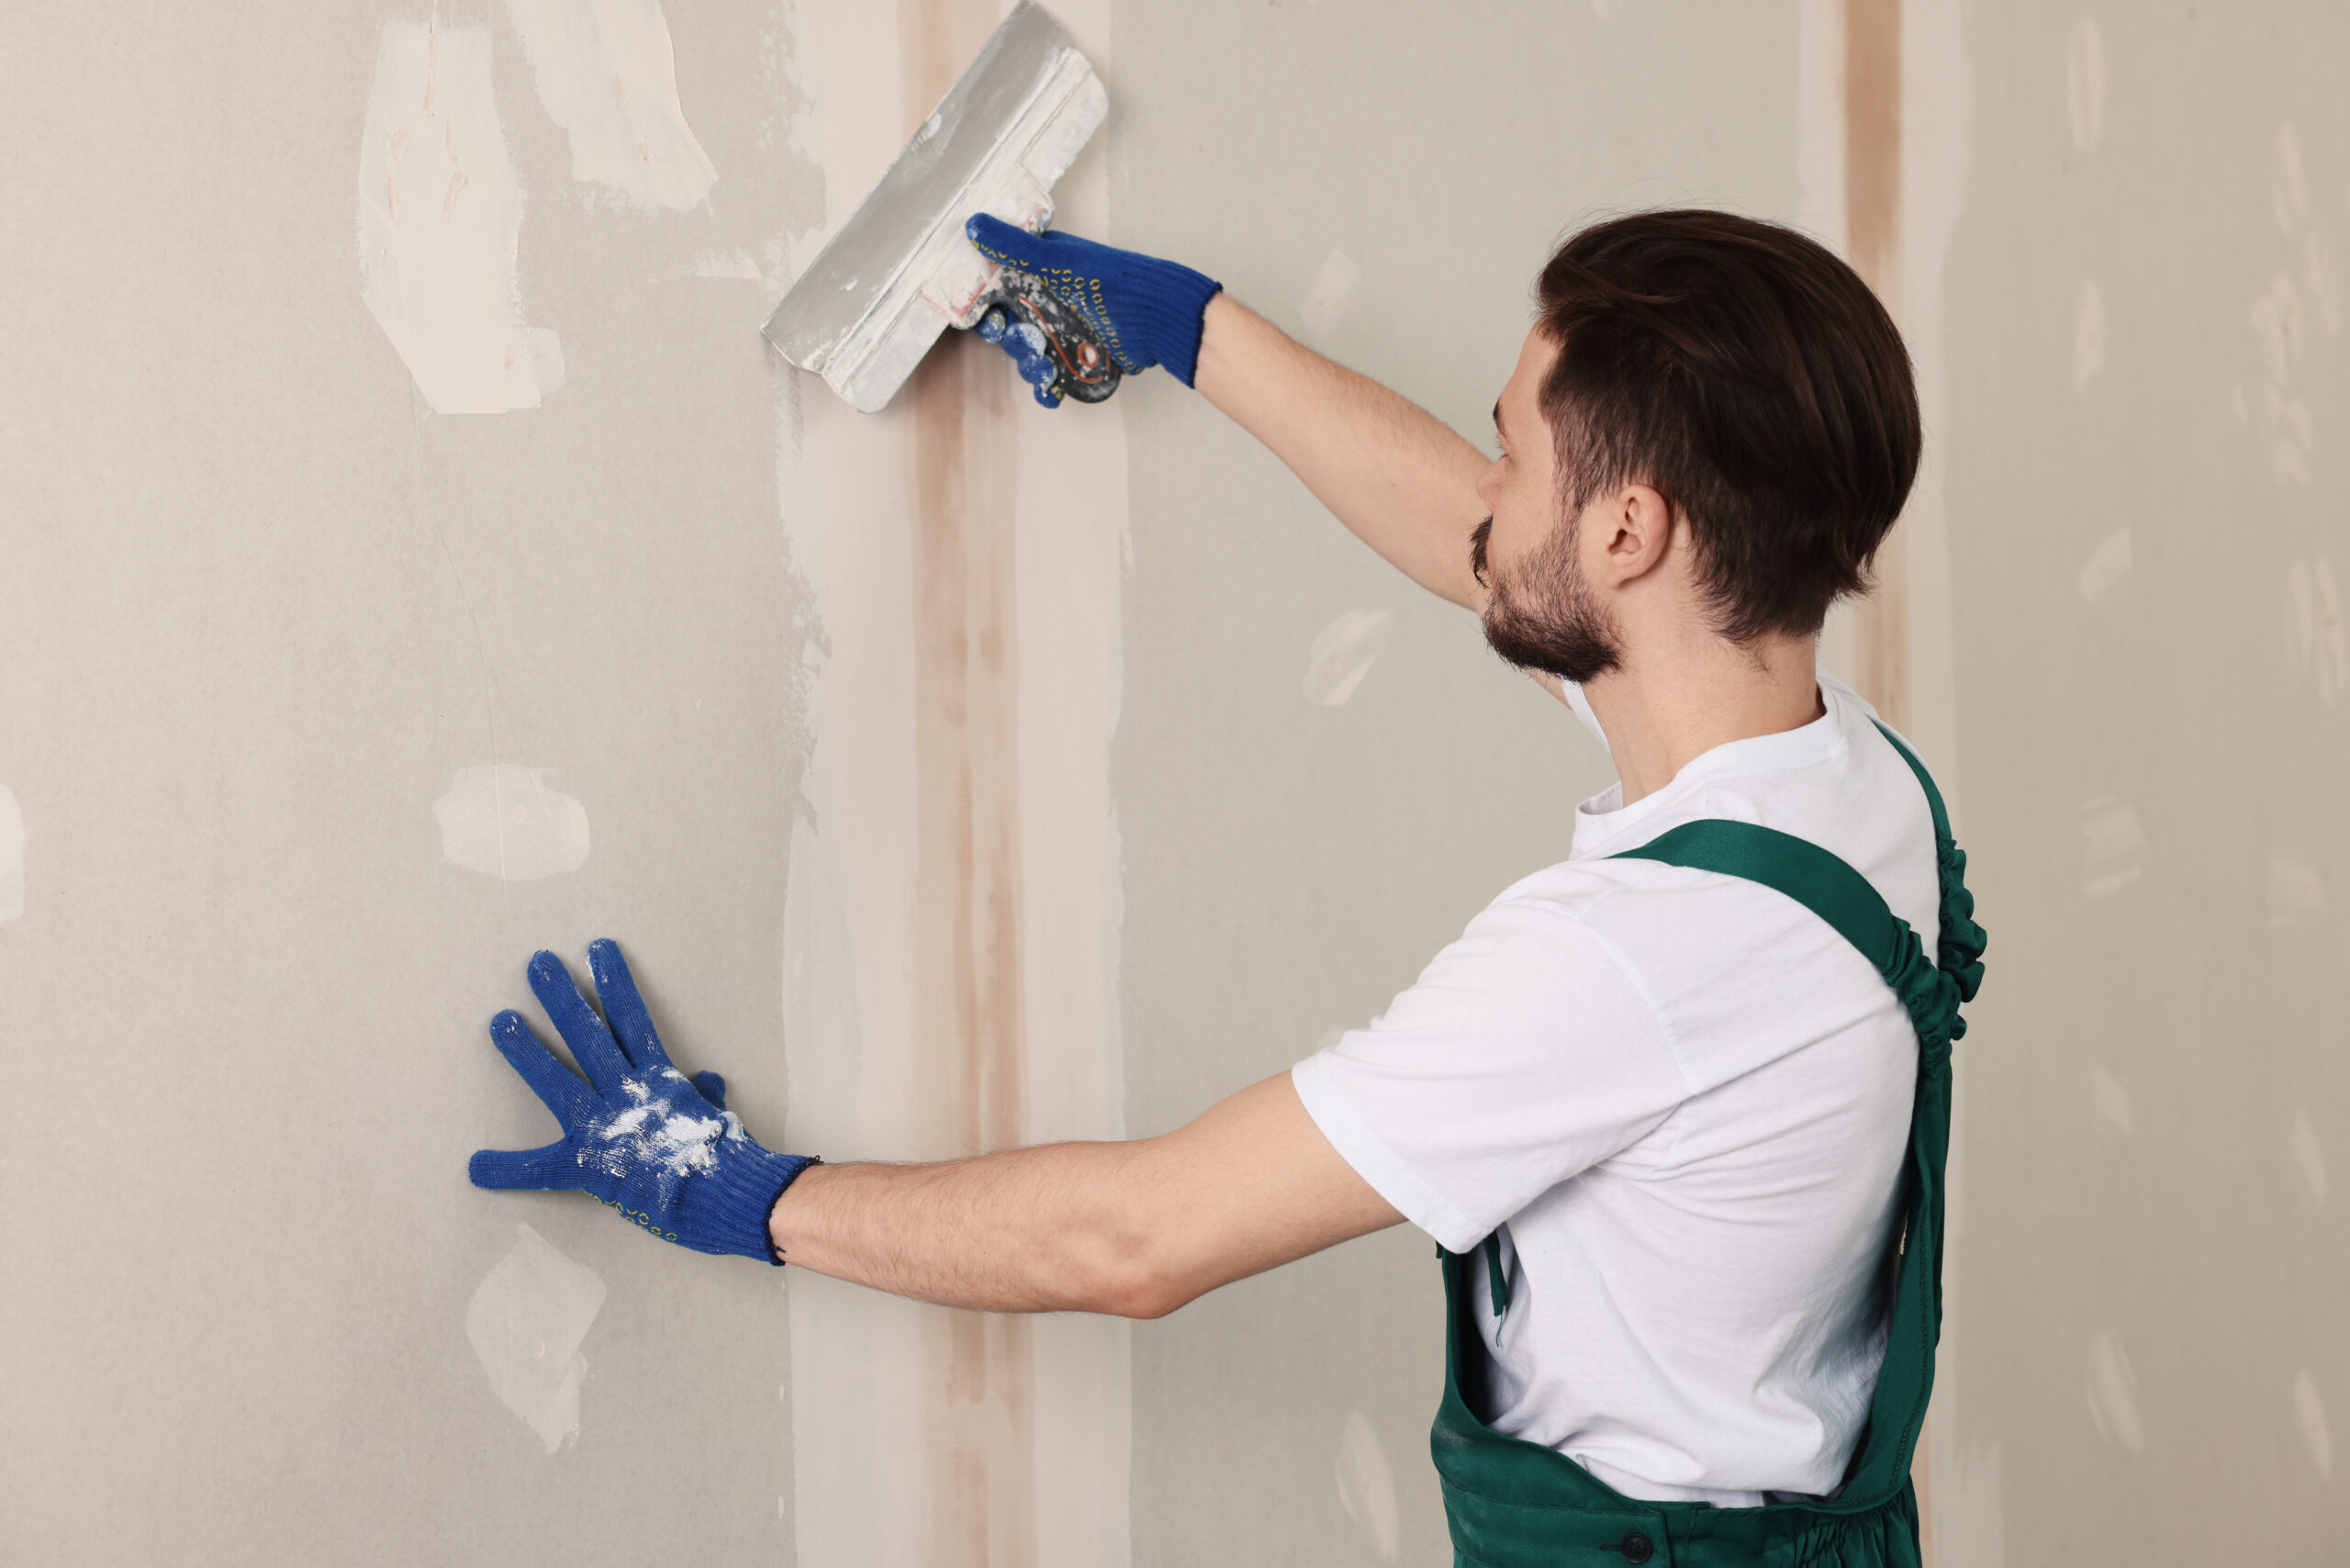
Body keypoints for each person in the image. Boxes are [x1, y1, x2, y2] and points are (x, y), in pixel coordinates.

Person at [469, 208, 1985, 1566]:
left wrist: (749, 1197)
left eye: (1515, 453)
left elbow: (1137, 1238)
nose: (1488, 493)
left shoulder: (1626, 966)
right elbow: (1491, 555)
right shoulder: (1847, 783)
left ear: (1630, 534)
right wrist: (1190, 327)